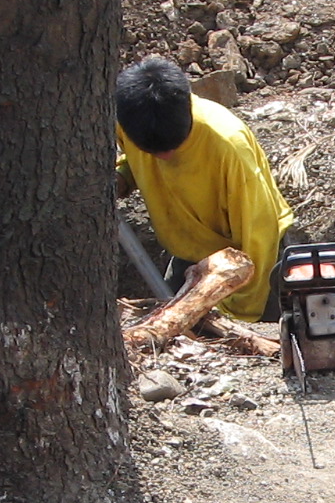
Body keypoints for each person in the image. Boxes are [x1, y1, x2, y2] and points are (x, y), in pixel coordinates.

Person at [115, 55, 295, 321]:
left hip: (254, 261)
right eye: (153, 152)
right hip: (191, 253)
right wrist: (122, 177)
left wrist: (237, 316)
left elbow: (259, 234)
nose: (165, 158)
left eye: (173, 149)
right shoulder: (132, 120)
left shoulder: (228, 146)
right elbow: (133, 159)